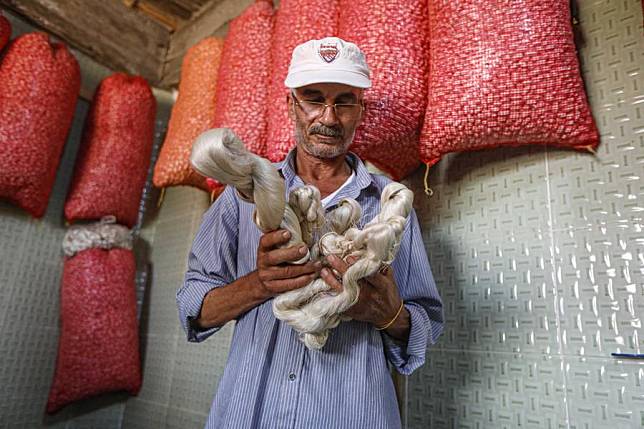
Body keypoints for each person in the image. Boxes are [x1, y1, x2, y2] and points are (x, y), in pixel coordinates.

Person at [177, 37, 444, 429]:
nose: (329, 118)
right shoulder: (241, 199)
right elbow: (193, 311)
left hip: (355, 415)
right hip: (249, 414)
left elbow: (425, 325)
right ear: (291, 105)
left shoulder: (388, 206)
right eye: (313, 98)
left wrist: (389, 315)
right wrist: (260, 284)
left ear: (361, 110)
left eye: (345, 101)